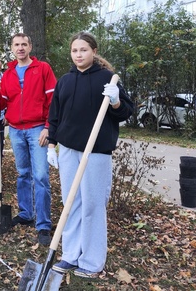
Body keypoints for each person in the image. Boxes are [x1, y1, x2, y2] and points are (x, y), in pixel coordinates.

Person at [47, 31, 134, 279]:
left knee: (93, 205)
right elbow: (55, 115)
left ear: (94, 51)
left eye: (83, 50)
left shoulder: (108, 79)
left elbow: (127, 111)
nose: (78, 55)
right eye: (74, 51)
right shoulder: (65, 80)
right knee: (71, 203)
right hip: (68, 151)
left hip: (96, 152)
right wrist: (52, 145)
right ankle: (71, 256)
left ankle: (92, 261)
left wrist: (116, 101)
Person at [0, 33, 57, 246]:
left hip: (37, 128)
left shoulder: (42, 69)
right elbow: (2, 104)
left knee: (40, 175)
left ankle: (44, 224)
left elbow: (53, 100)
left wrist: (48, 127)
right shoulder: (7, 74)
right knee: (23, 173)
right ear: (12, 48)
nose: (20, 48)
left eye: (24, 44)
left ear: (30, 47)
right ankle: (27, 213)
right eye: (16, 45)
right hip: (16, 131)